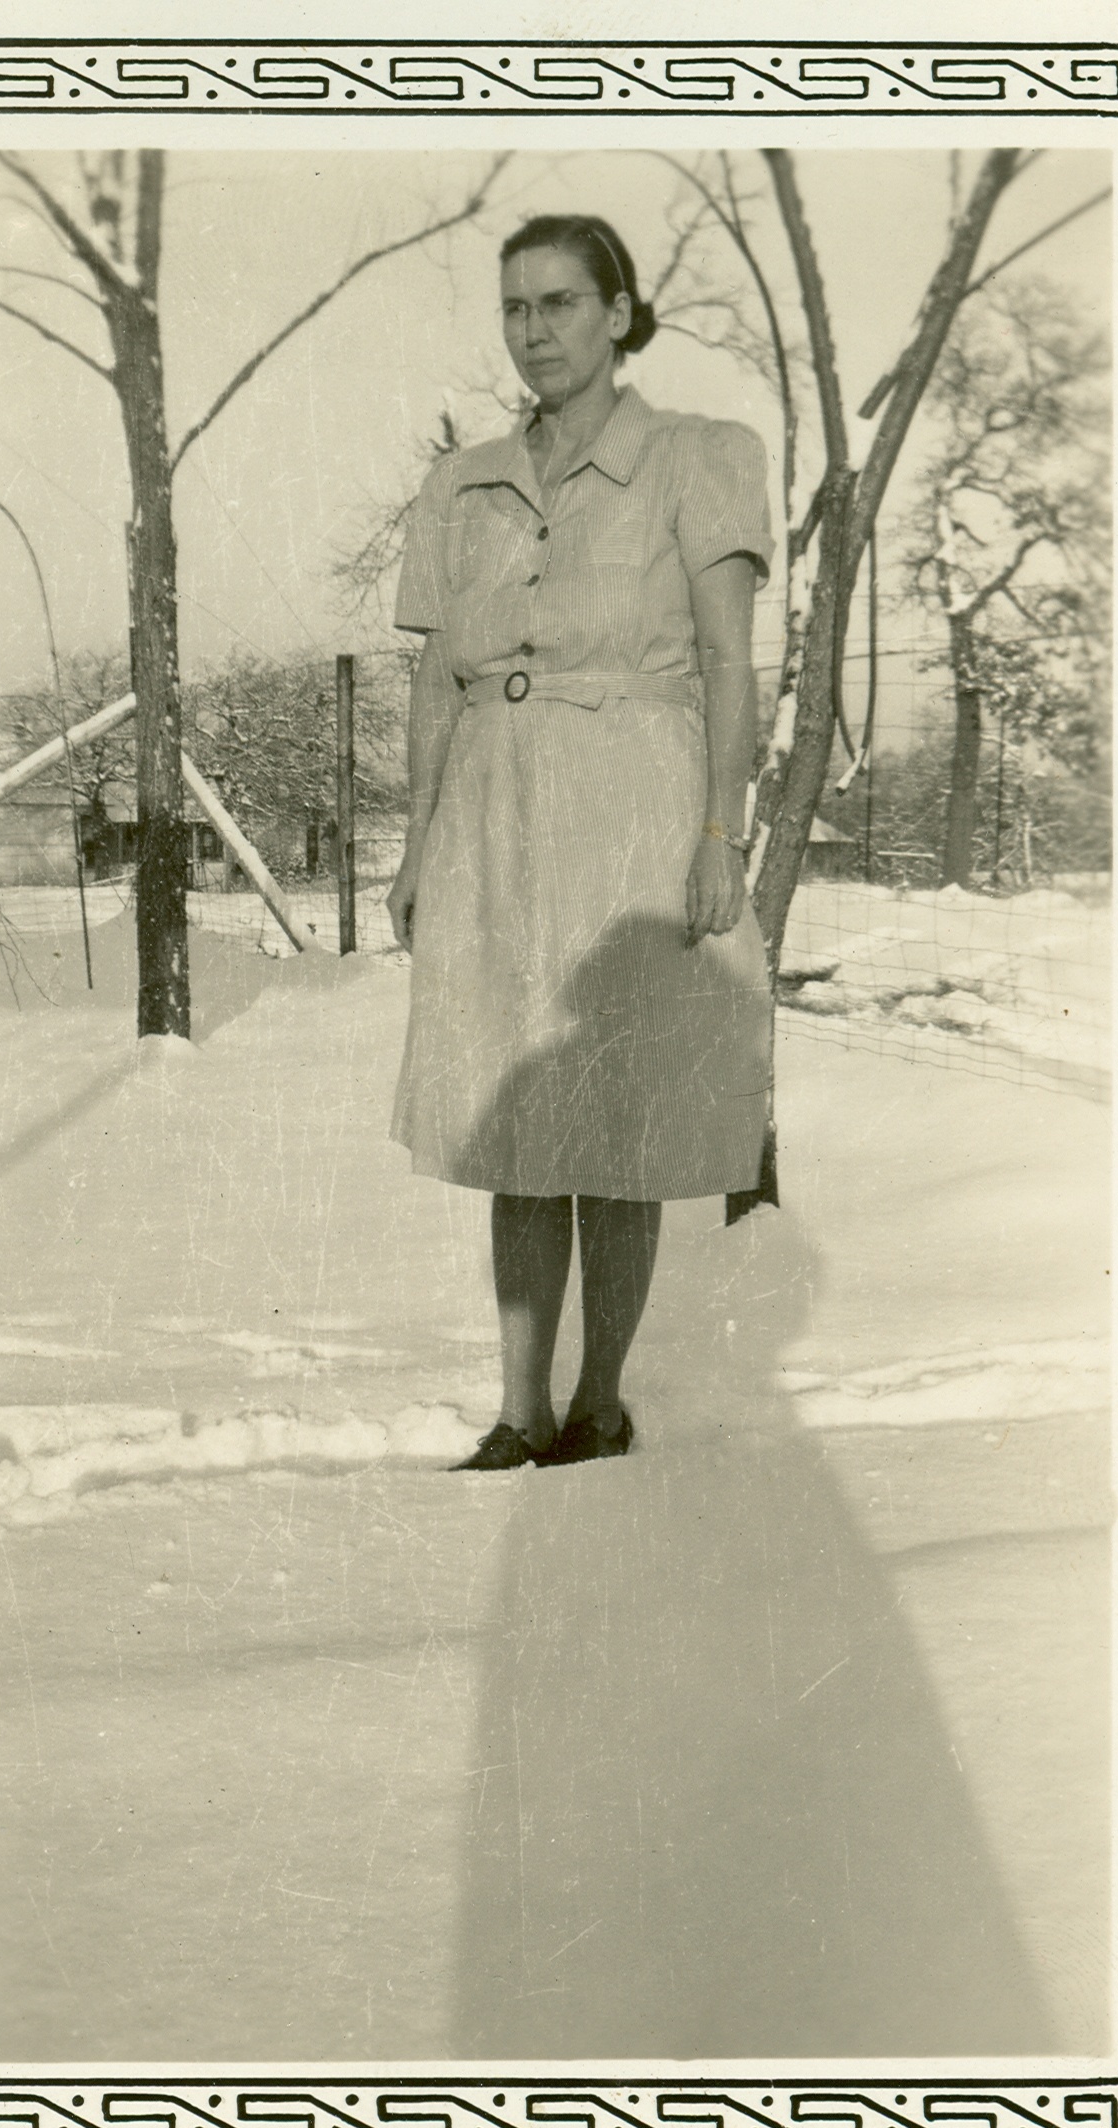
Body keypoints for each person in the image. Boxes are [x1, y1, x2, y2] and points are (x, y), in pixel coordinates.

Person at [386, 213, 774, 1472]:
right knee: (516, 1117)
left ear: (618, 314)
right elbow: (438, 681)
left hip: (638, 806)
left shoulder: (700, 456)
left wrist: (723, 830)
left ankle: (600, 1402)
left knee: (616, 1121)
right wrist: (417, 844)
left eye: (560, 303)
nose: (535, 330)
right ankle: (518, 1410)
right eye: (516, 308)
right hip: (498, 816)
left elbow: (728, 661)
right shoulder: (465, 484)